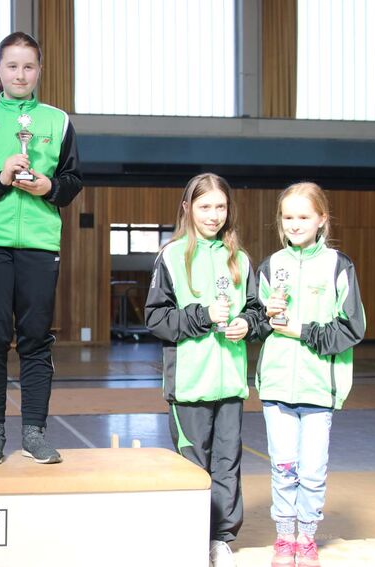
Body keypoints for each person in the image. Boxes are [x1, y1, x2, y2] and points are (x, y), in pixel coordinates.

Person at [0, 32, 82, 465]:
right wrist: (1, 178)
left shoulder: (58, 122)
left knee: (36, 341)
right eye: (12, 66)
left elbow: (73, 182)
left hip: (40, 245)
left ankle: (34, 434)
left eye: (28, 66)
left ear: (39, 70)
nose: (20, 74)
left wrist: (49, 188)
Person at [145, 173, 262, 567]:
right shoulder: (171, 256)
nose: (214, 215)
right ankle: (191, 539)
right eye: (205, 206)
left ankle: (220, 539)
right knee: (194, 468)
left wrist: (247, 324)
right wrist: (203, 315)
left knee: (227, 465)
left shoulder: (240, 259)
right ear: (187, 208)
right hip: (189, 385)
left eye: (221, 206)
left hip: (230, 383)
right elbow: (157, 319)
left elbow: (257, 312)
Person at [256, 182, 365, 567]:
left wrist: (301, 329)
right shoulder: (271, 265)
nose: (295, 224)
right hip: (277, 387)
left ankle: (307, 537)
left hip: (319, 389)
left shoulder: (338, 266)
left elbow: (351, 329)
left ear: (322, 219)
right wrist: (263, 315)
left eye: (304, 216)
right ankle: (285, 536)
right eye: (288, 217)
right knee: (283, 466)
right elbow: (258, 323)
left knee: (313, 472)